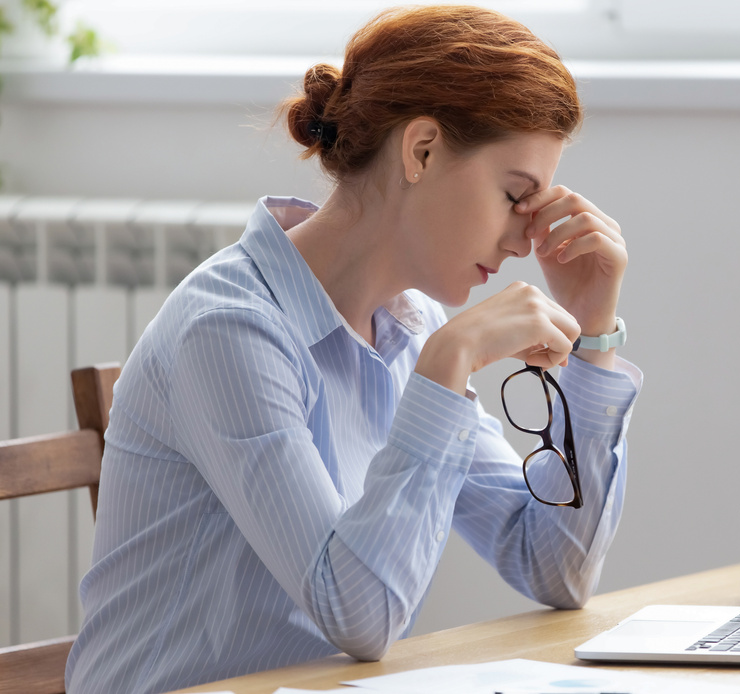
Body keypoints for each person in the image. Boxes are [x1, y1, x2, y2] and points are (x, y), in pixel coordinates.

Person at [65, 5, 641, 693]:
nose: (525, 240)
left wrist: (594, 330)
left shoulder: (410, 326)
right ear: (421, 151)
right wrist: (446, 367)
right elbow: (359, 616)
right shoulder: (227, 329)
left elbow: (555, 567)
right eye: (515, 195)